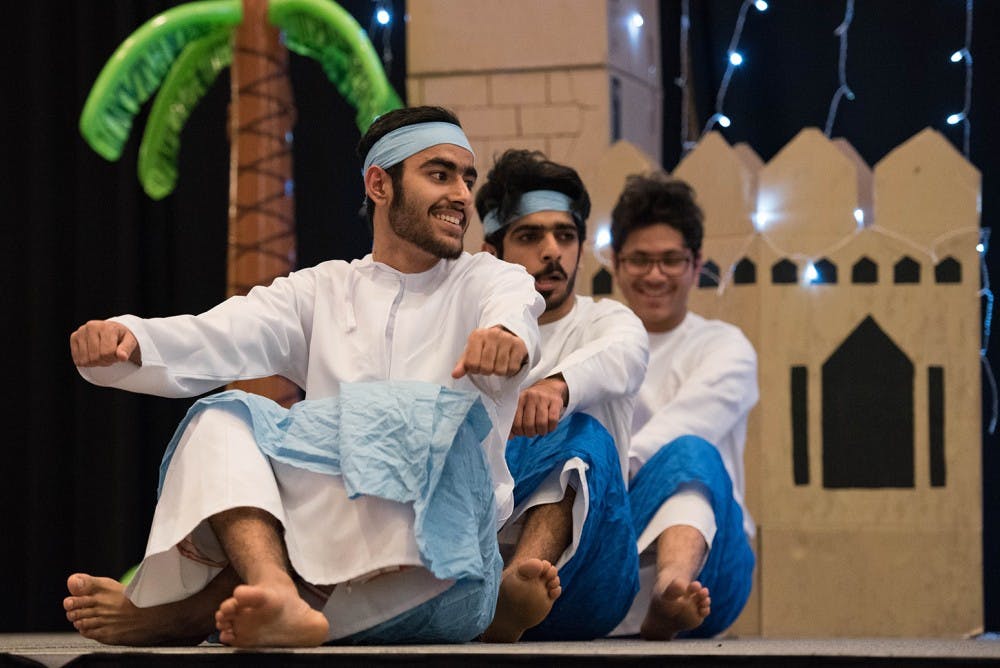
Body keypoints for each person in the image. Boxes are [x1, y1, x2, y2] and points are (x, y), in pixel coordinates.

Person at [63, 106, 547, 647]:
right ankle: (273, 591)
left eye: (466, 180)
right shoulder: (323, 290)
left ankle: (194, 614)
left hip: (443, 574)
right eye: (440, 175)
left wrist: (505, 338)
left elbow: (514, 314)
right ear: (379, 185)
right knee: (220, 419)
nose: (461, 194)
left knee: (415, 413)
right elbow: (219, 332)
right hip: (321, 562)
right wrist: (130, 338)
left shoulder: (491, 280)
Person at [474, 150, 648, 641]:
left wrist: (557, 387)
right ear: (491, 253)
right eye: (530, 236)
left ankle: (521, 583)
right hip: (472, 567)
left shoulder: (608, 321)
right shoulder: (471, 333)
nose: (552, 251)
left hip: (589, 582)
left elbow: (625, 354)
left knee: (579, 431)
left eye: (565, 236)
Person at [607, 173, 757, 640]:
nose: (655, 275)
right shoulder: (599, 342)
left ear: (697, 265)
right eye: (640, 260)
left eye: (671, 260)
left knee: (691, 455)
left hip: (710, 573)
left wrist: (604, 479)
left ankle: (671, 587)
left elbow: (682, 428)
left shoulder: (725, 346)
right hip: (618, 551)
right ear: (615, 263)